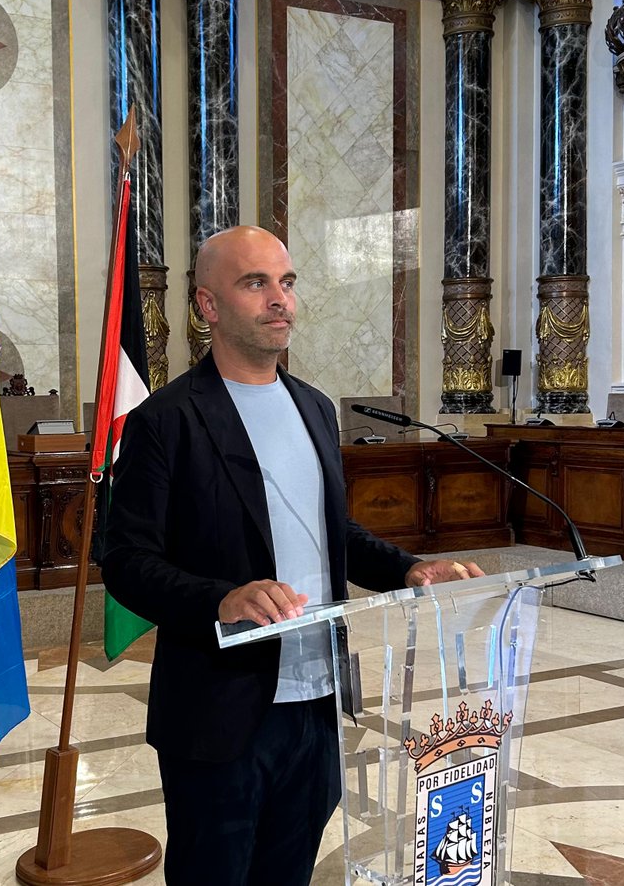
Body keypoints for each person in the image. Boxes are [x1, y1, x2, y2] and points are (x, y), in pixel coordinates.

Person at [101, 226, 484, 886]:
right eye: (256, 283)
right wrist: (219, 600)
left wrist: (406, 568)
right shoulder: (166, 420)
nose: (279, 299)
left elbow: (331, 531)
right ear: (209, 306)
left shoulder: (313, 407)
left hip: (317, 703)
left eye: (287, 282)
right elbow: (127, 559)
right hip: (219, 713)